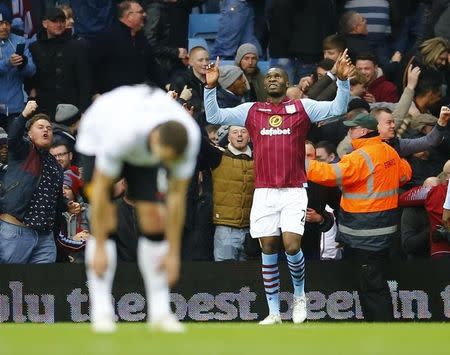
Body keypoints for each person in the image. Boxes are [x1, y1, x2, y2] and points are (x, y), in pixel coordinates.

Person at [204, 50, 354, 324]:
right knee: (269, 247)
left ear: (286, 84)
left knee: (291, 244)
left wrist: (342, 83)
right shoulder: (251, 111)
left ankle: (299, 297)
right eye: (269, 76)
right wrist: (210, 86)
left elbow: (338, 108)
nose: (272, 79)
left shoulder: (302, 107)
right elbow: (213, 114)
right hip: (263, 192)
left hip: (293, 190)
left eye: (278, 76)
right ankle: (273, 312)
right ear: (263, 84)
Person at [76, 85, 200, 333]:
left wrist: (174, 253)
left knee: (154, 218)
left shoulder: (190, 138)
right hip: (98, 134)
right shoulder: (121, 134)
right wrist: (99, 244)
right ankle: (101, 311)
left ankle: (160, 312)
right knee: (107, 219)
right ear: (153, 141)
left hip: (142, 143)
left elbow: (176, 199)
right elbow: (101, 192)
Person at [307, 113, 412, 321]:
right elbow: (405, 173)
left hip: (365, 236)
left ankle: (383, 337)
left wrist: (300, 162)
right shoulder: (389, 151)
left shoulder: (360, 157)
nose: (349, 132)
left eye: (352, 128)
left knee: (372, 290)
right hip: (386, 232)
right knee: (376, 285)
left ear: (362, 131)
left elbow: (329, 175)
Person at [0, 101, 80, 264]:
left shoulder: (56, 166)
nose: (46, 130)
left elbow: (55, 198)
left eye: (49, 128)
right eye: (41, 127)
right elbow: (13, 137)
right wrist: (24, 115)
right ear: (29, 134)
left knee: (41, 285)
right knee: (10, 283)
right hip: (17, 231)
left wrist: (68, 205)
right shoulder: (23, 152)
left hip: (45, 238)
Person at [29, 7, 91, 120]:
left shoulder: (77, 46)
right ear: (45, 23)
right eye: (55, 21)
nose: (59, 24)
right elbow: (30, 78)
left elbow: (84, 81)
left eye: (62, 21)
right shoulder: (34, 47)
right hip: (43, 109)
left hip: (71, 109)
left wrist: (84, 110)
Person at [91, 0, 163, 95]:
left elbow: (152, 66)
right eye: (140, 12)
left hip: (137, 97)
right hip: (112, 98)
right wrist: (94, 93)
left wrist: (166, 85)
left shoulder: (141, 38)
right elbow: (93, 67)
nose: (144, 14)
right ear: (129, 16)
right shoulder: (108, 37)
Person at [211, 125, 254, 261]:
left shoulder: (260, 159)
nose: (239, 135)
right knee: (226, 277)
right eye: (235, 132)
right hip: (225, 228)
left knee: (248, 280)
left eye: (243, 131)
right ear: (228, 137)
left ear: (250, 136)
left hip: (251, 230)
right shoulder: (217, 156)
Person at [0, 5, 36, 131]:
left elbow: (32, 71)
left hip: (15, 107)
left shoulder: (19, 41)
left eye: (7, 23)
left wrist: (23, 63)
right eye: (0, 23)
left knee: (14, 148)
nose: (4, 27)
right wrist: (8, 63)